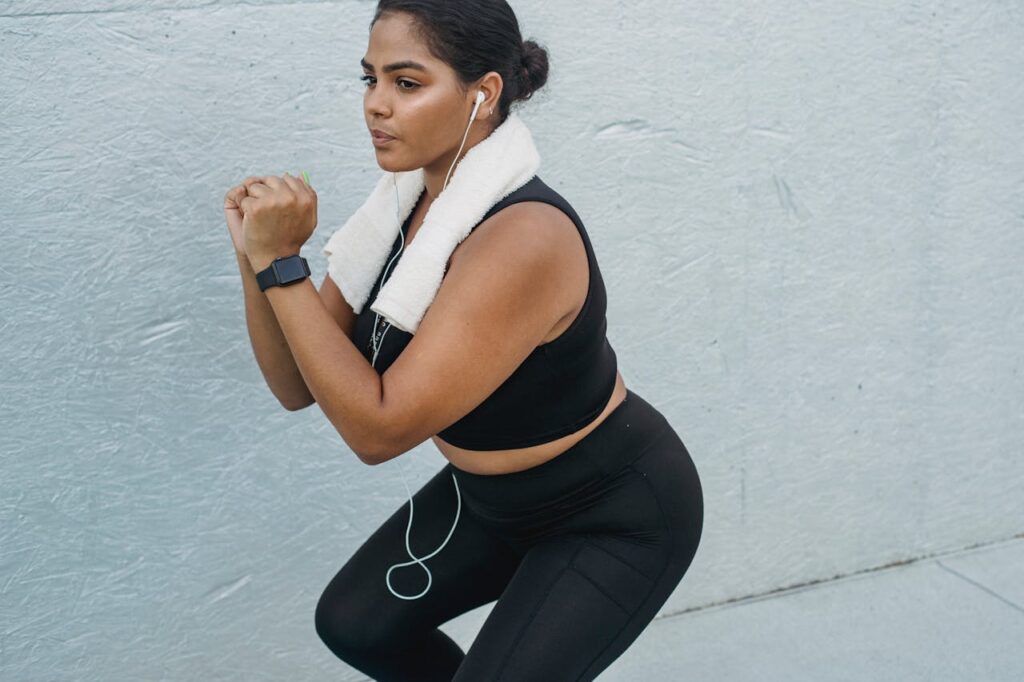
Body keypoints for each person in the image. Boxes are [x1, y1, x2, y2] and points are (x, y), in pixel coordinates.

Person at [224, 1, 703, 679]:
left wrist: (284, 267)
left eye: (407, 83)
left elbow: (377, 431)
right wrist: (257, 258)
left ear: (483, 93)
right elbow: (297, 385)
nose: (376, 106)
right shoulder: (401, 207)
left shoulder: (522, 237)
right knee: (356, 626)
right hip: (490, 501)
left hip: (611, 510)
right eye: (371, 80)